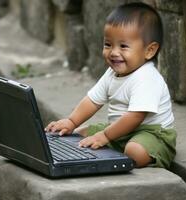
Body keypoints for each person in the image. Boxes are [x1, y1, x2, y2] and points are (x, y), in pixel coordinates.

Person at [45, 2, 176, 169]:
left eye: (123, 46)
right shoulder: (112, 73)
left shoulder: (147, 78)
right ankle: (110, 148)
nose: (114, 52)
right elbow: (92, 101)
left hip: (151, 133)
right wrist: (71, 122)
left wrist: (105, 136)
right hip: (118, 130)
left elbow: (135, 117)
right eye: (108, 44)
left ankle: (125, 153)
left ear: (149, 50)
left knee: (134, 151)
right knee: (77, 135)